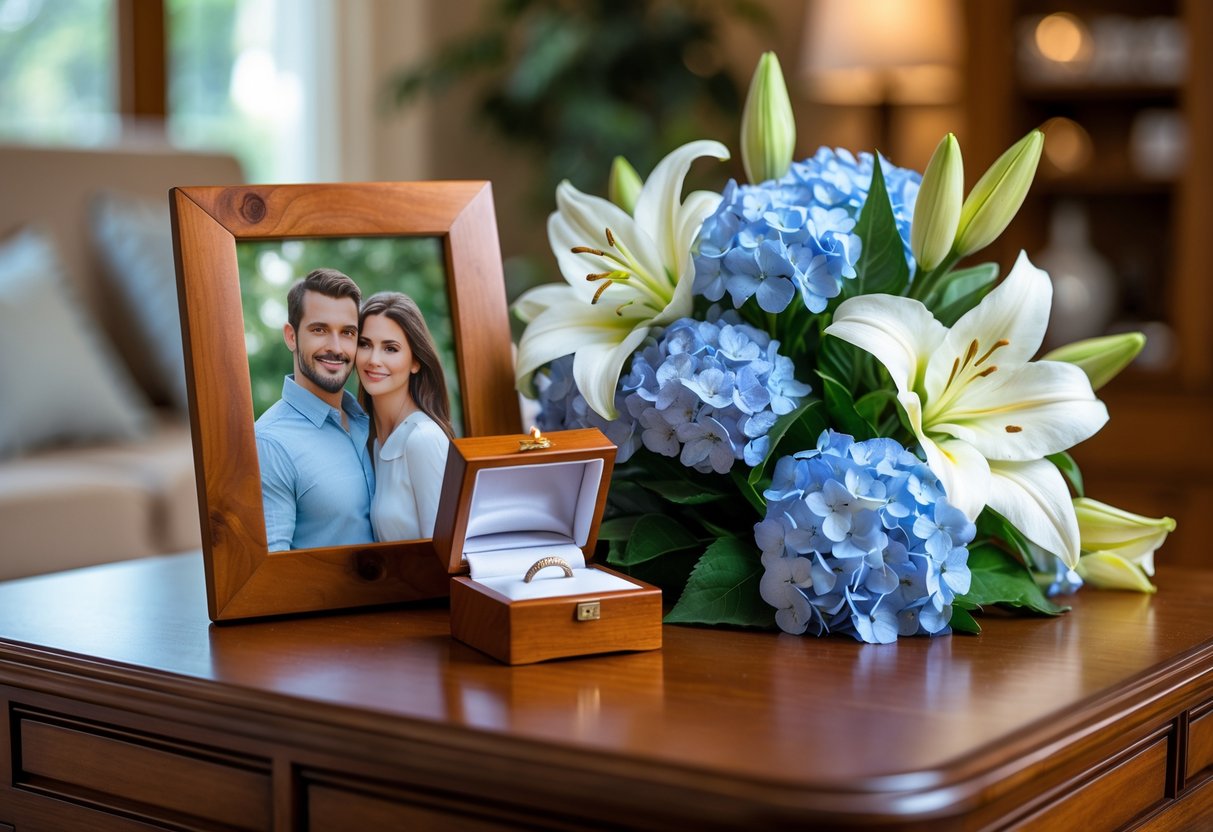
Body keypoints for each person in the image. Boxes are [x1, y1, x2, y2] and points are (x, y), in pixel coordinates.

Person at [255, 269, 376, 551]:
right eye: (319, 330)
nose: (335, 348)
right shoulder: (269, 443)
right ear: (291, 336)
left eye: (347, 332)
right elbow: (272, 575)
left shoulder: (372, 422)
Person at [356, 291, 454, 541]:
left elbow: (444, 556)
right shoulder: (371, 440)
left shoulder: (423, 439)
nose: (374, 359)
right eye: (365, 344)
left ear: (415, 361)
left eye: (390, 348)